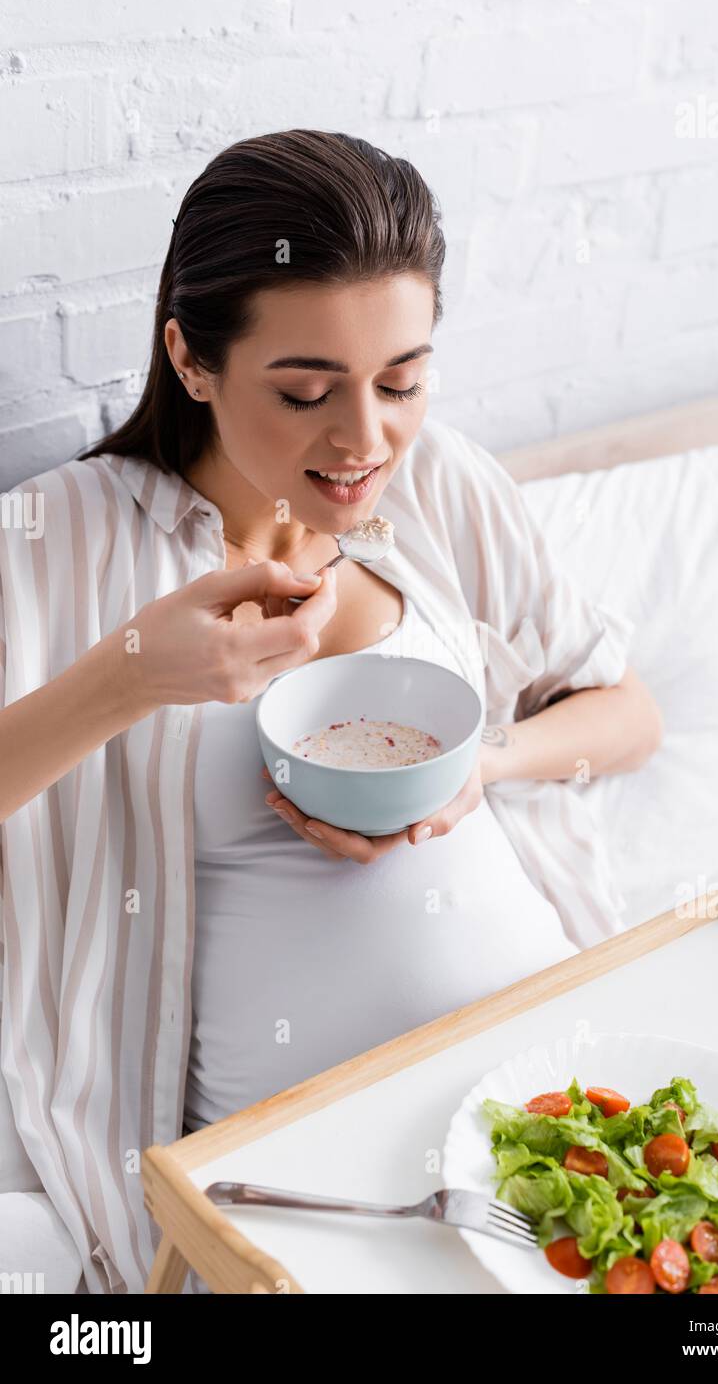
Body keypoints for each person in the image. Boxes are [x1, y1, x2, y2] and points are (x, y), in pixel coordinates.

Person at [0, 129, 663, 1293]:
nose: (365, 441)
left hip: (564, 1095)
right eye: (305, 391)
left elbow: (627, 714)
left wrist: (486, 765)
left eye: (401, 381)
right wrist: (138, 672)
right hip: (310, 1191)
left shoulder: (440, 483)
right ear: (191, 361)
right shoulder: (60, 542)